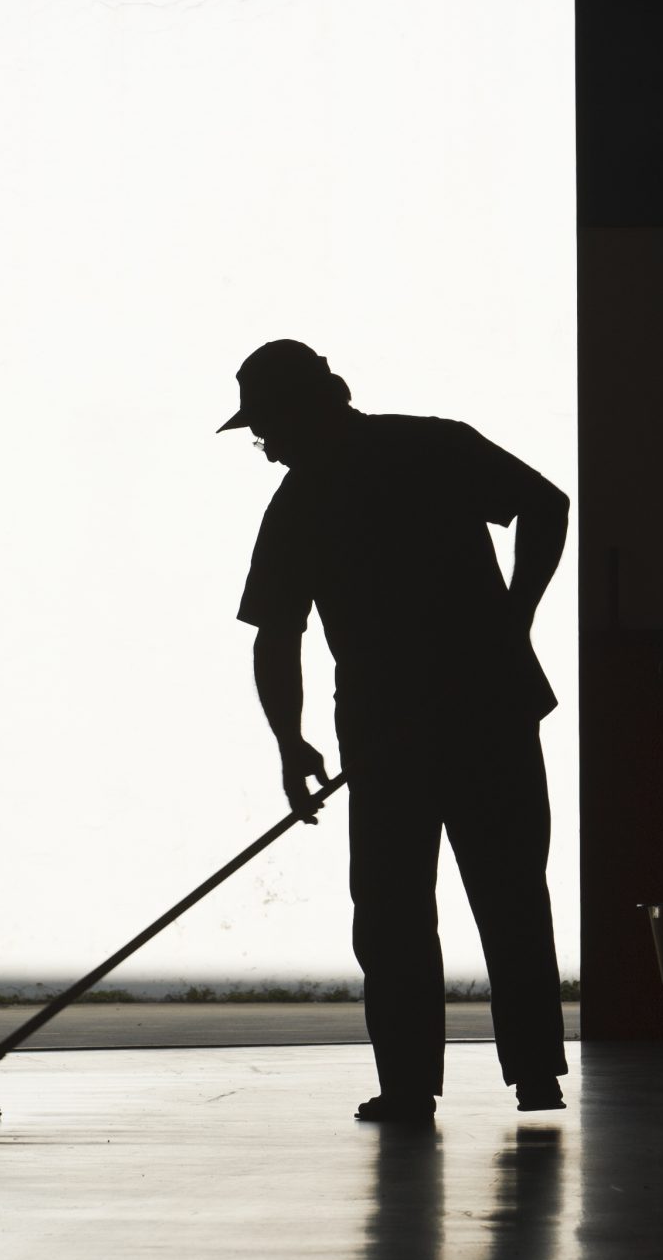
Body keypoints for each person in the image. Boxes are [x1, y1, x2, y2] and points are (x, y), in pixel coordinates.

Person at [225, 339, 569, 1125]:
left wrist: (291, 742)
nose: (262, 444)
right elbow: (546, 506)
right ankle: (535, 1075)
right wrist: (512, 620)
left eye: (265, 427)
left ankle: (410, 1087)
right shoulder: (434, 445)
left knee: (391, 911)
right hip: (487, 709)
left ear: (304, 409)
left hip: (389, 730)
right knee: (510, 890)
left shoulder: (302, 501)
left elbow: (276, 635)